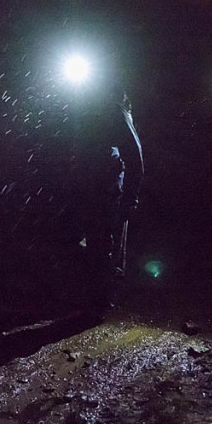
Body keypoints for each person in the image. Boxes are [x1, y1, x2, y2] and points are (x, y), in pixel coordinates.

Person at [67, 82, 144, 314]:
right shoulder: (85, 111)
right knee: (94, 244)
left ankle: (101, 302)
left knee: (106, 245)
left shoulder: (115, 112)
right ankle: (93, 298)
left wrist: (131, 198)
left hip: (109, 192)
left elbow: (135, 156)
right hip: (90, 189)